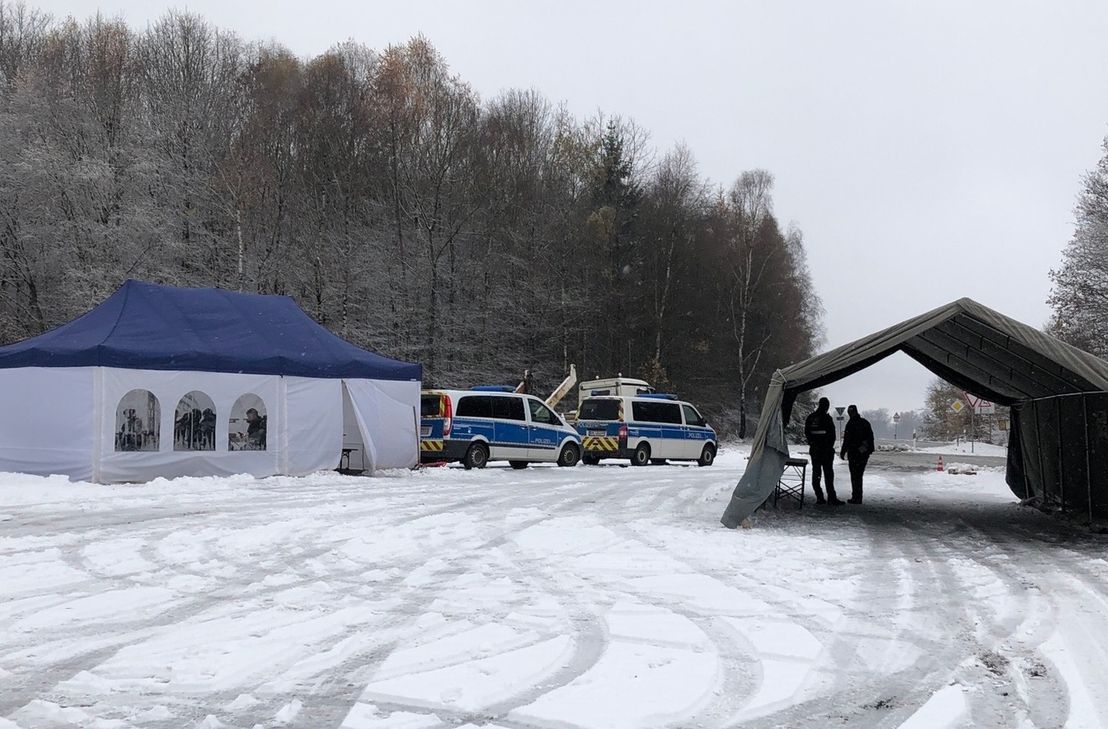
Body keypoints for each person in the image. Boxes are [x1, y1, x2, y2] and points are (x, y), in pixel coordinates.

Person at [805, 397, 843, 505]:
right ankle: (831, 498)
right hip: (826, 451)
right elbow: (832, 435)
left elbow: (807, 433)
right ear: (826, 406)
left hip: (815, 451)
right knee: (828, 475)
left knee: (816, 474)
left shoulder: (811, 418)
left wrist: (813, 444)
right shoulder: (827, 418)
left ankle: (820, 497)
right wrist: (828, 447)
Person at [840, 405, 875, 504]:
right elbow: (870, 438)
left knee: (855, 475)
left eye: (850, 412)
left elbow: (847, 439)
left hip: (854, 453)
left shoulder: (850, 424)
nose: (850, 414)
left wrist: (843, 451)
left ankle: (856, 496)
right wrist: (867, 450)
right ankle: (857, 496)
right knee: (858, 475)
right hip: (862, 454)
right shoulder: (864, 423)